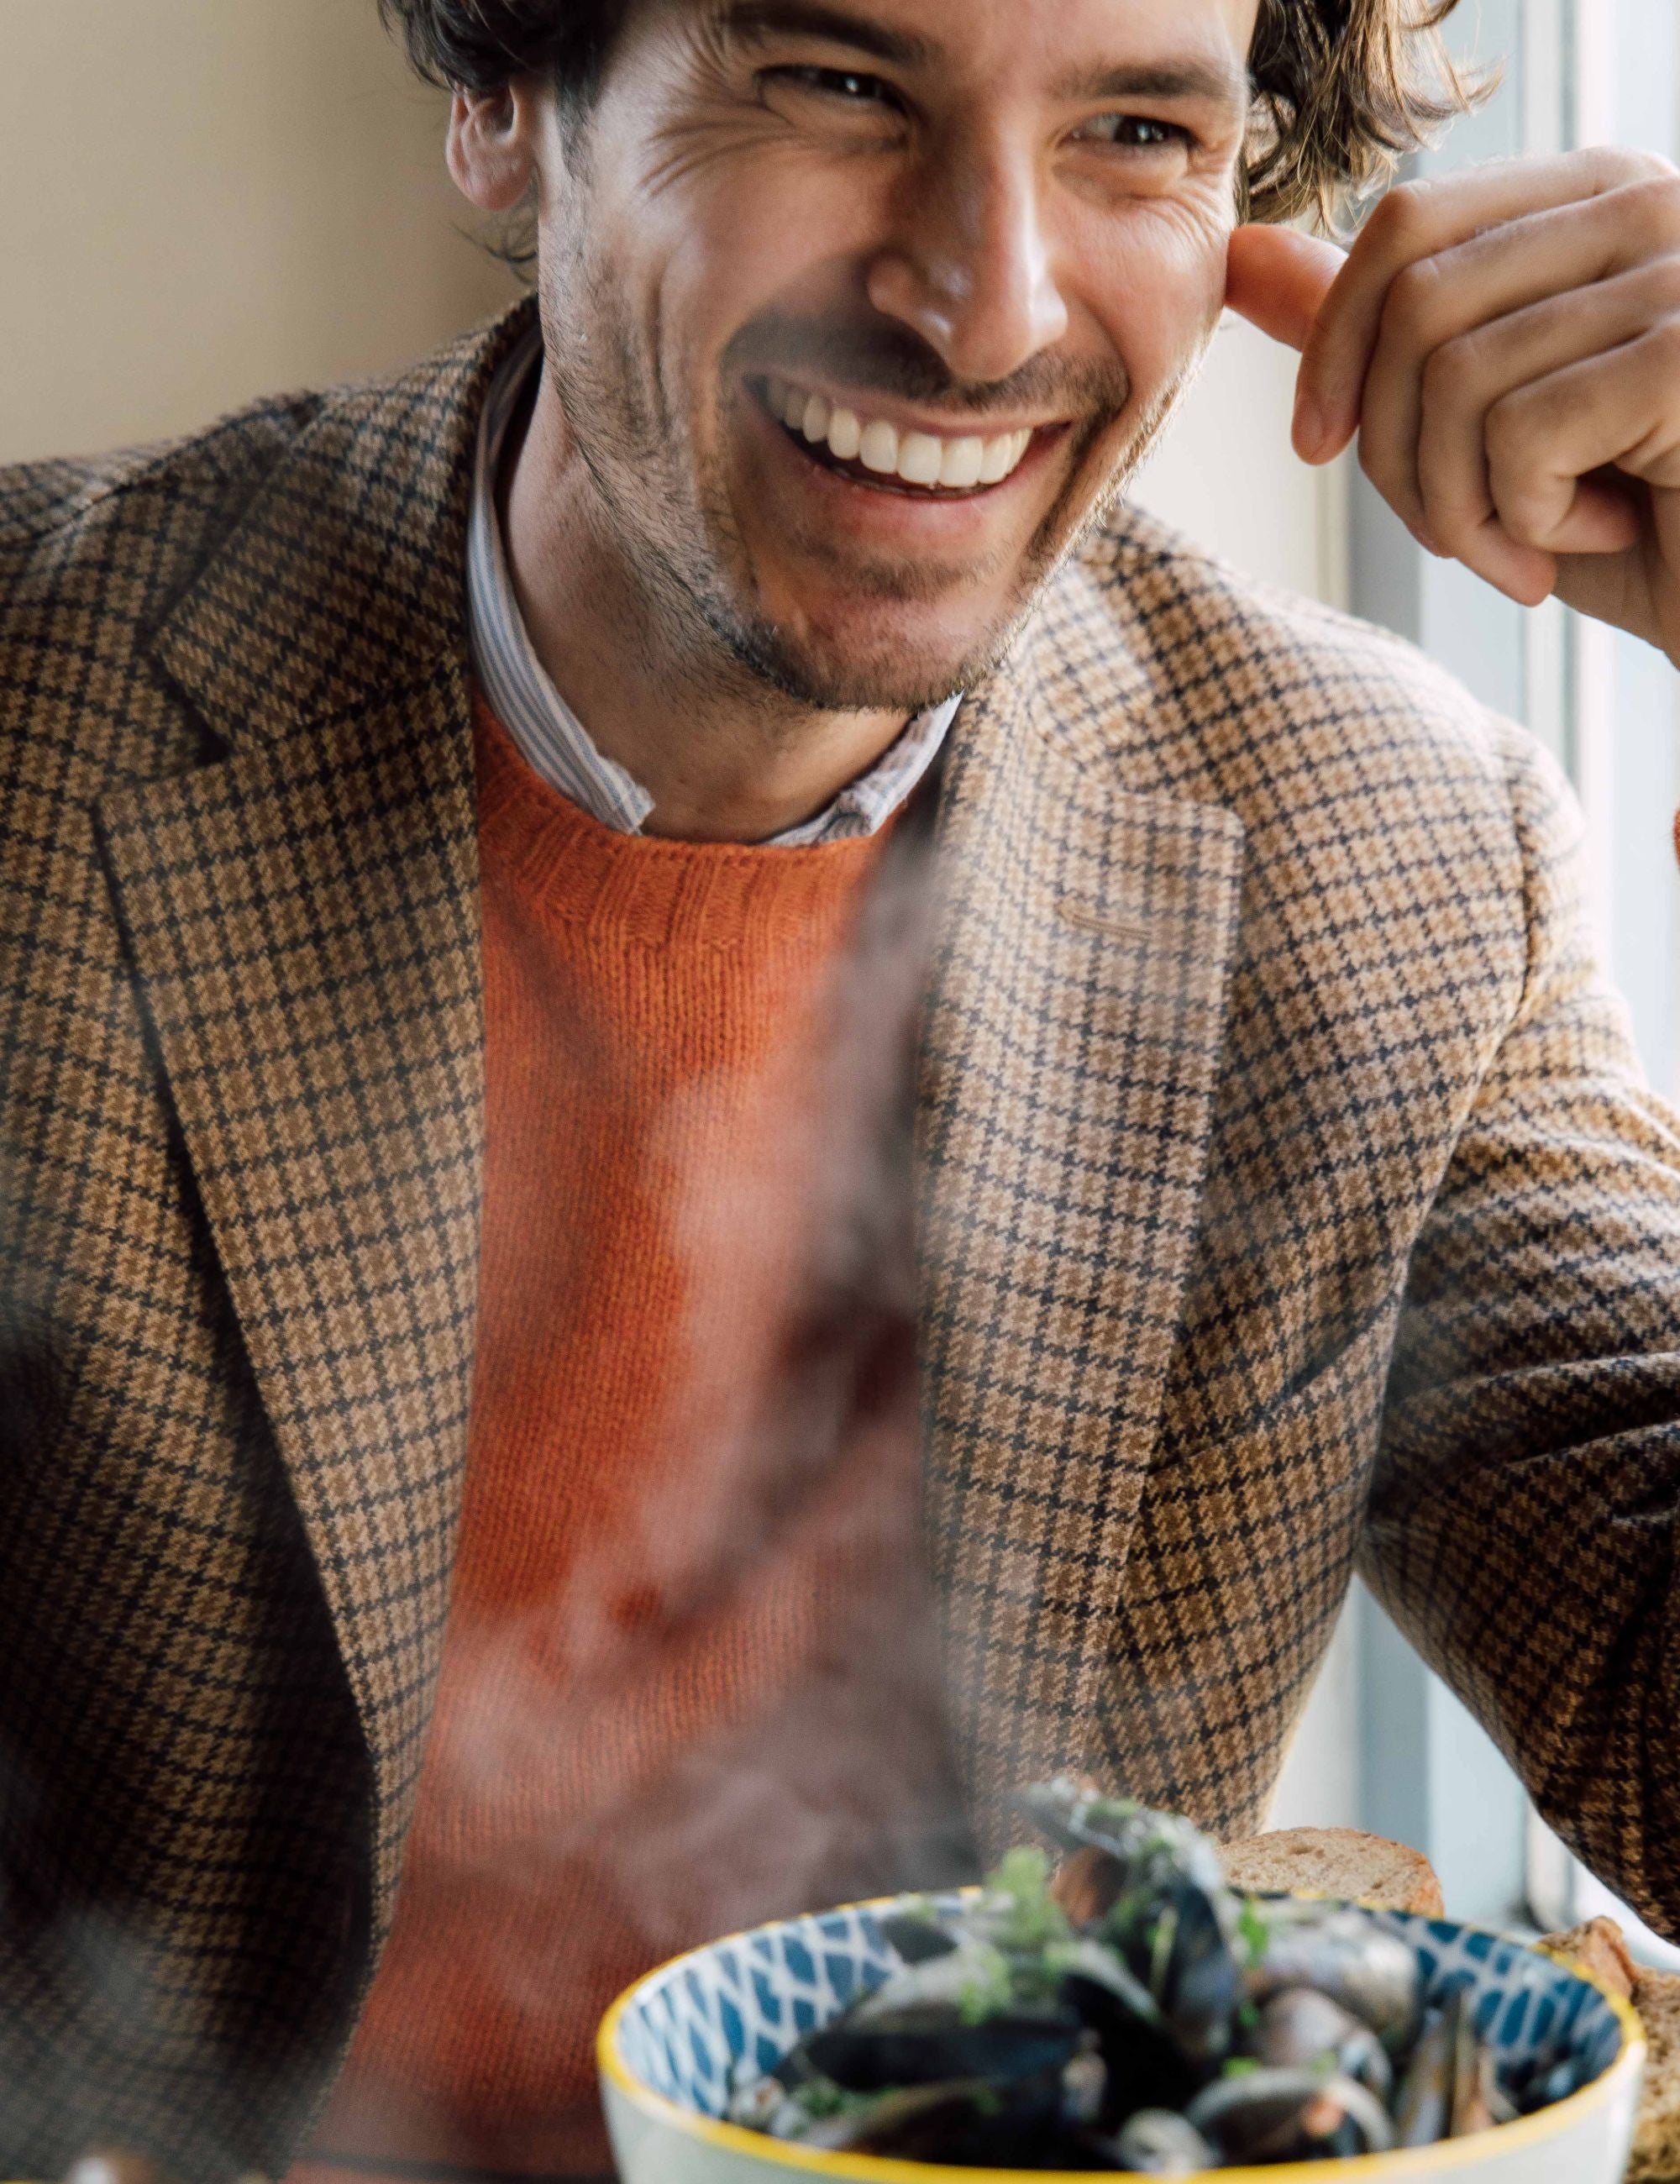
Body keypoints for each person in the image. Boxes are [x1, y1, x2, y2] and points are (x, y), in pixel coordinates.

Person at [4, 0, 1680, 2175]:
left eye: (1136, 131)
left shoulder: (1392, 867)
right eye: (838, 83)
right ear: (512, 102)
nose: (989, 302)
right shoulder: (32, 724)